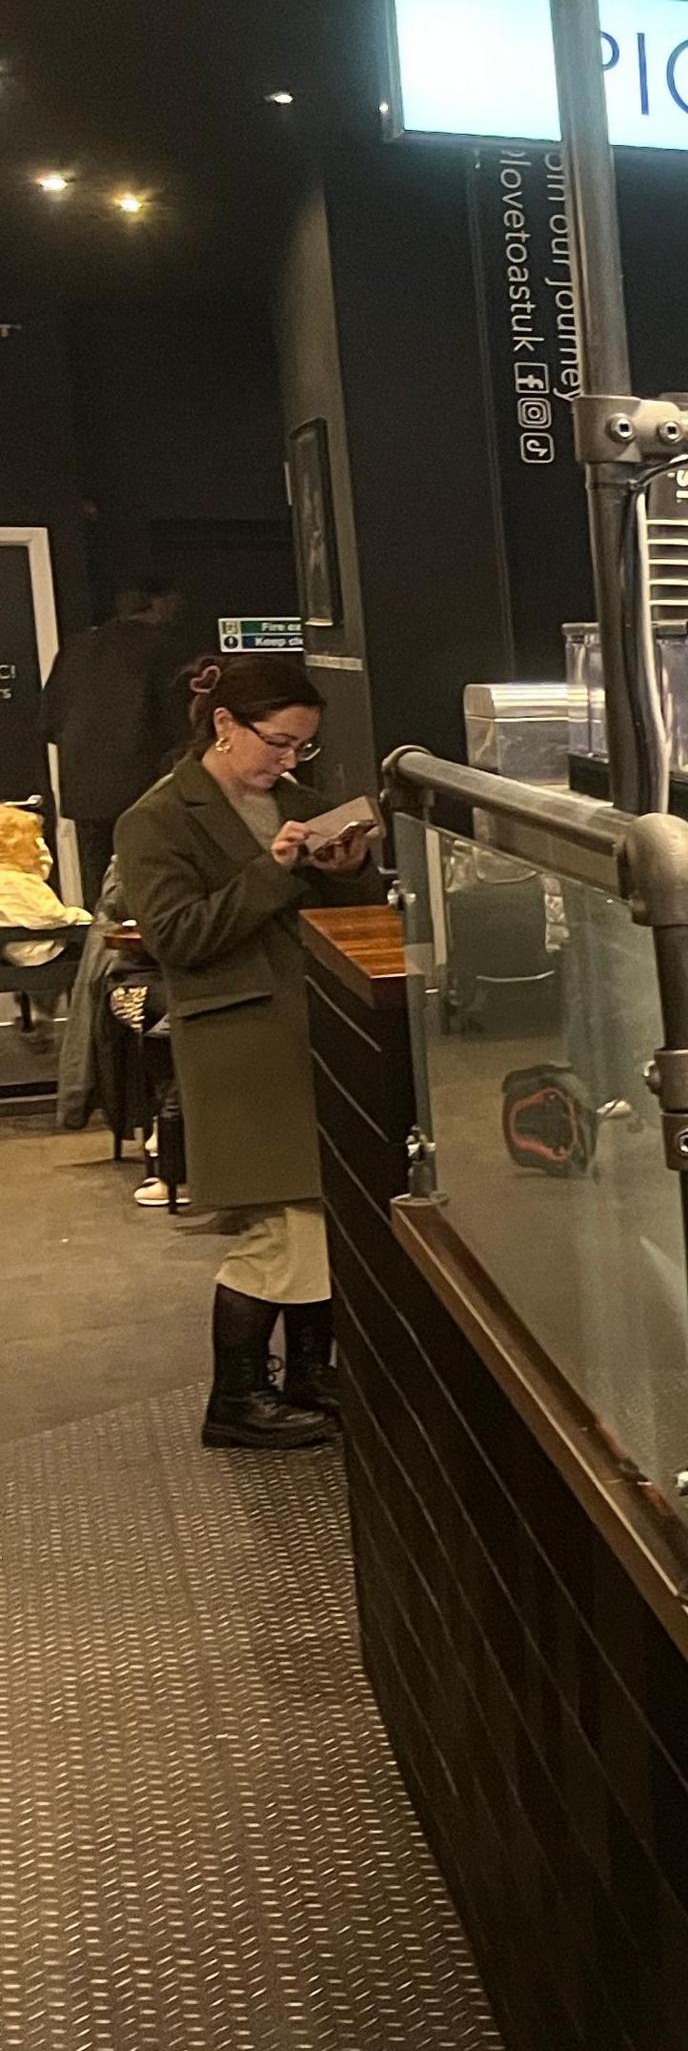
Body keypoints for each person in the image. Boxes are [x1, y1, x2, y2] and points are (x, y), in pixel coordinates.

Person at [116, 654, 383, 1448]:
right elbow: (178, 936)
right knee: (283, 1224)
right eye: (278, 742)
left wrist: (348, 867)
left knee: (320, 1214)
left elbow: (351, 914)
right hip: (238, 1046)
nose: (288, 761)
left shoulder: (299, 802)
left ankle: (307, 1371)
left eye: (302, 746)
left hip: (318, 1033)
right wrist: (273, 872)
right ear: (225, 724)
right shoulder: (156, 819)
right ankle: (236, 1395)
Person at [42, 578, 206, 906]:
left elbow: (48, 722)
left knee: (100, 886)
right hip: (149, 788)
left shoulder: (77, 647)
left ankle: (102, 950)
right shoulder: (168, 648)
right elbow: (185, 725)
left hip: (84, 787)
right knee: (152, 885)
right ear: (159, 603)